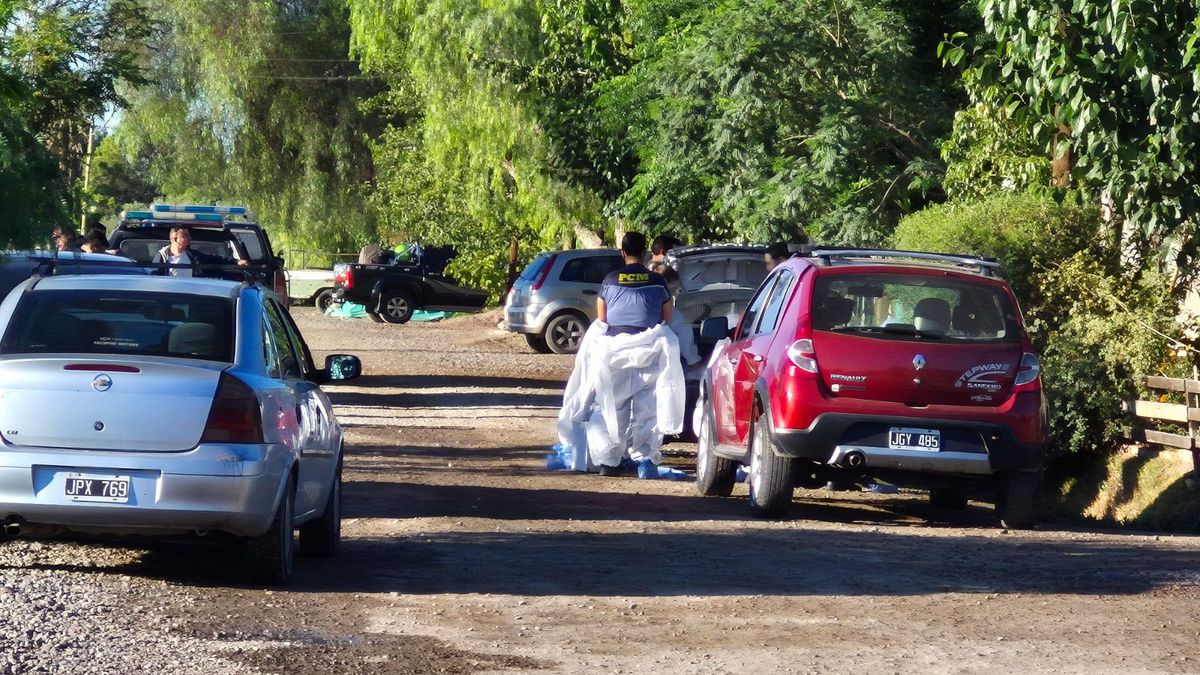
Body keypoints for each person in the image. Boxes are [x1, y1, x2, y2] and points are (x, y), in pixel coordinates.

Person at [556, 232, 686, 479]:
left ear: (622, 253)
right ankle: (645, 461)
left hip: (615, 353)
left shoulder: (610, 281)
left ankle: (609, 462)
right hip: (650, 351)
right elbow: (666, 318)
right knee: (648, 409)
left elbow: (602, 319)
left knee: (613, 408)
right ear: (645, 251)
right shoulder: (657, 282)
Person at [152, 226, 248, 277]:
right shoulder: (162, 257)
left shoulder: (194, 256)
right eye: (185, 236)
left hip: (193, 298)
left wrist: (236, 262)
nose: (190, 238)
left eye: (189, 235)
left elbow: (215, 259)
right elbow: (154, 277)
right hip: (168, 298)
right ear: (175, 239)